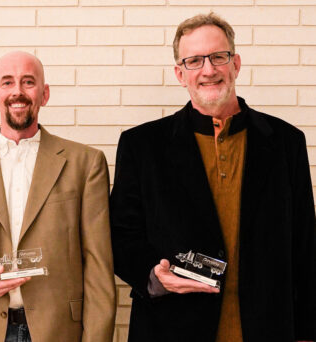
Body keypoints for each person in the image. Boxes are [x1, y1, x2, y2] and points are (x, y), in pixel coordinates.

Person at [110, 12, 315, 342]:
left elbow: (305, 245)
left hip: (267, 328)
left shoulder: (286, 142)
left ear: (235, 64)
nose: (208, 70)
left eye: (219, 57)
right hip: (171, 329)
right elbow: (120, 235)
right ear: (180, 74)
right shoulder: (141, 146)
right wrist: (154, 276)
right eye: (194, 61)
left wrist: (307, 332)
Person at [0, 51, 116, 342]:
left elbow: (98, 265)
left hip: (59, 331)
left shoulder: (85, 164)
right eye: (7, 82)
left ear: (44, 93)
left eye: (28, 82)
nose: (17, 91)